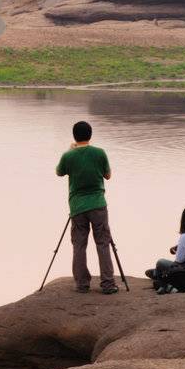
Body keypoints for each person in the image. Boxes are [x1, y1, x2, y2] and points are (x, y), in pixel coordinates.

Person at [55, 120, 117, 294]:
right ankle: (108, 284)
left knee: (79, 245)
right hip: (98, 204)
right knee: (103, 243)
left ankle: (82, 284)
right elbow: (108, 175)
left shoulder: (69, 156)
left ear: (74, 136)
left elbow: (59, 172)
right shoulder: (99, 153)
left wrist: (71, 150)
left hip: (77, 206)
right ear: (90, 135)